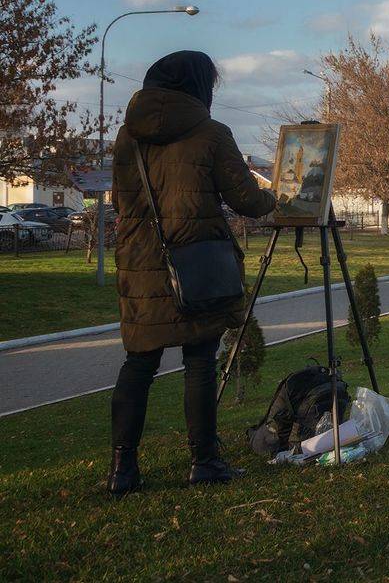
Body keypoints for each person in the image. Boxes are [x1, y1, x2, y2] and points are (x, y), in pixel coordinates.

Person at [107, 51, 276, 495]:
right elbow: (247, 200)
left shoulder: (127, 136)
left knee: (138, 364)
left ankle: (122, 470)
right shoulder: (212, 133)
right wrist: (278, 197)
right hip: (198, 263)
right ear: (199, 86)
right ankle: (205, 461)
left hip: (141, 266)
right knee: (200, 362)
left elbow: (120, 200)